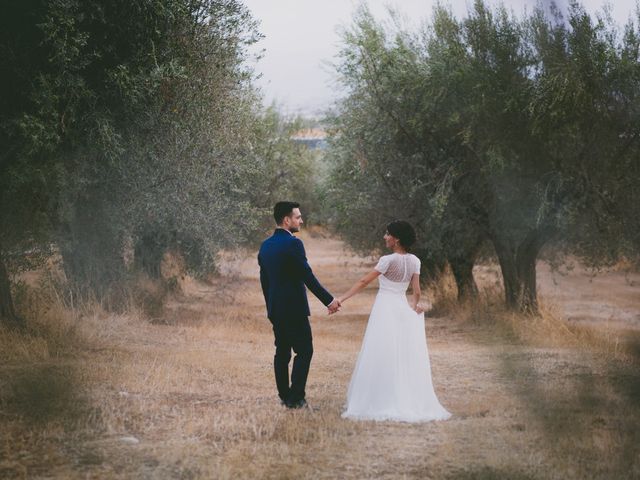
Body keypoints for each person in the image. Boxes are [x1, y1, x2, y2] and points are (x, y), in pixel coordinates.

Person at [338, 220, 451, 422]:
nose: (384, 237)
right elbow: (416, 291)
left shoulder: (387, 260)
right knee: (400, 353)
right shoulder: (415, 261)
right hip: (401, 308)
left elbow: (364, 281)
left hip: (384, 308)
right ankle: (401, 395)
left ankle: (380, 398)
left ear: (396, 239)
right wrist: (412, 307)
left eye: (387, 234)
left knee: (381, 350)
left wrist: (341, 299)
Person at [258, 201, 341, 409]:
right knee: (305, 350)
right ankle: (296, 398)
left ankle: (285, 396)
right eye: (298, 217)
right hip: (294, 309)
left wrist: (270, 307)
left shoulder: (265, 245)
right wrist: (329, 300)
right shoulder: (294, 244)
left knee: (282, 352)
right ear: (287, 220)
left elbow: (264, 281)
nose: (301, 220)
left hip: (276, 309)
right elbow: (307, 275)